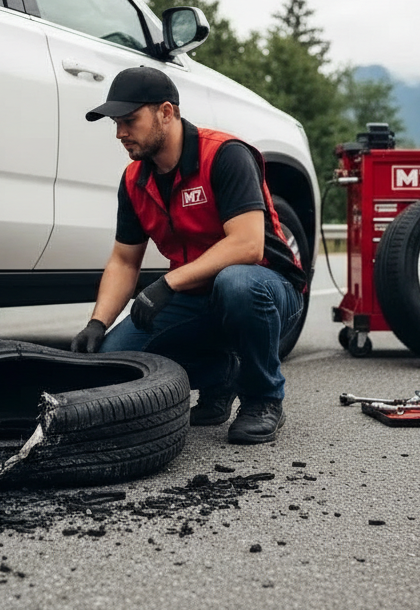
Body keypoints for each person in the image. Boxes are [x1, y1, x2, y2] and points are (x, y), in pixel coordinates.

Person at [70, 66, 307, 444]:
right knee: (116, 356)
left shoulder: (225, 155)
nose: (120, 134)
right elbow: (124, 260)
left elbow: (248, 246)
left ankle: (263, 399)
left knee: (237, 284)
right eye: (116, 123)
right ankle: (218, 377)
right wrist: (98, 323)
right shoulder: (134, 180)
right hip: (198, 295)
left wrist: (168, 283)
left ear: (167, 112)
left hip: (268, 288)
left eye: (129, 120)